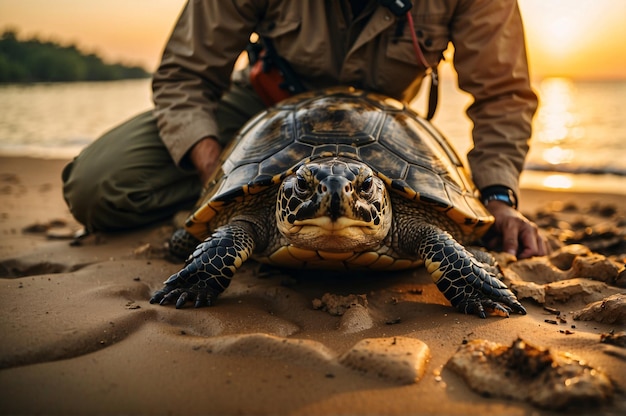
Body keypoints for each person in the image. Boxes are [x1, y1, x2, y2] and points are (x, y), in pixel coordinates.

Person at [62, 0, 548, 259]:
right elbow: (185, 76)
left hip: (380, 130)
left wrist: (499, 199)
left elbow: (502, 93)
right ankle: (243, 216)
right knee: (98, 187)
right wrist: (222, 179)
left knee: (454, 220)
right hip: (265, 115)